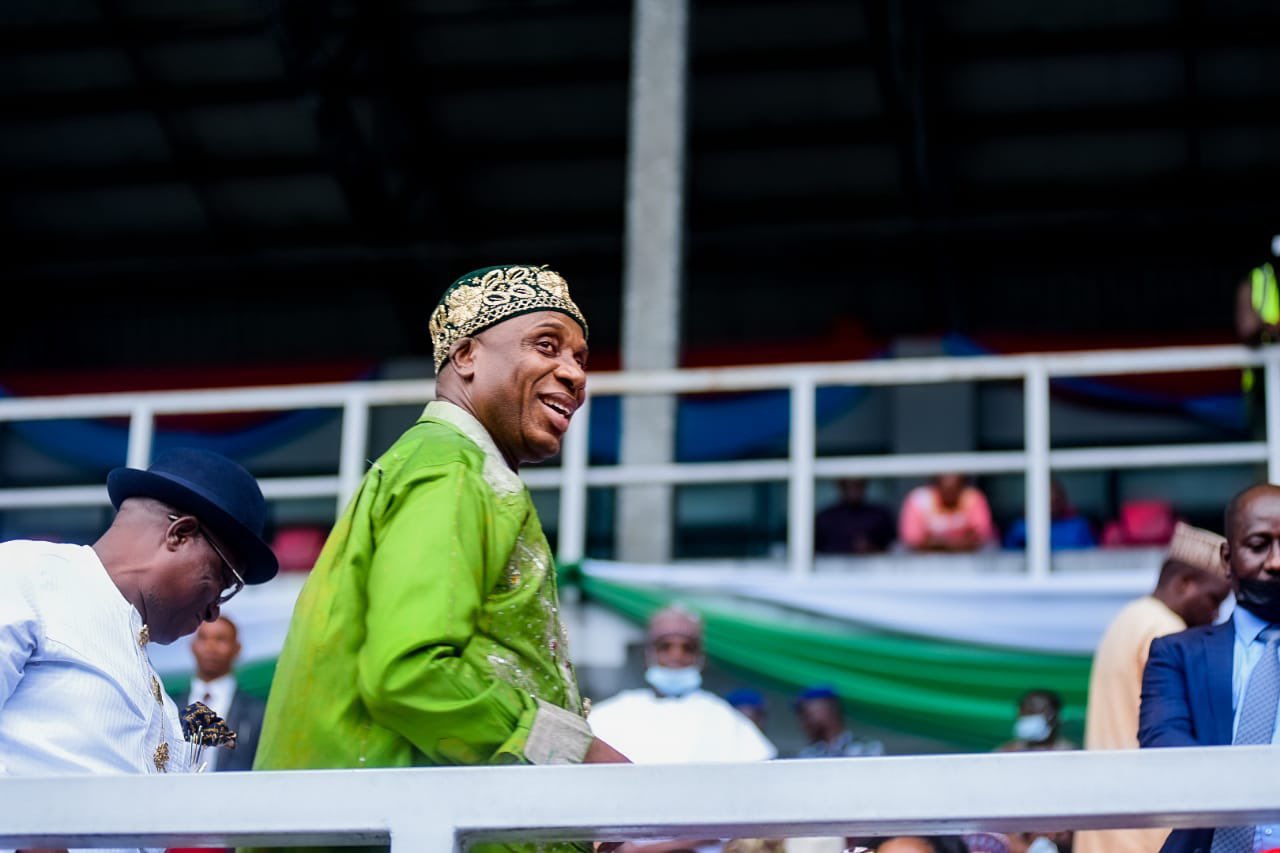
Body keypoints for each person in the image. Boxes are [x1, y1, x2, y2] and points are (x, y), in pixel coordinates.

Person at [248, 265, 628, 853]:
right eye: (546, 345)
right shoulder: (452, 470)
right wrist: (574, 754)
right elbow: (411, 671)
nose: (575, 374)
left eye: (580, 358)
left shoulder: (442, 464)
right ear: (467, 356)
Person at [0, 447, 277, 853]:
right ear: (179, 534)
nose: (215, 609)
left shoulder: (159, 696)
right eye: (224, 580)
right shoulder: (28, 576)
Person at [1140, 483, 1280, 853]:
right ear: (1227, 558)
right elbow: (1165, 749)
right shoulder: (1176, 654)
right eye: (1259, 545)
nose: (1276, 562)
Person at [587, 606, 776, 853]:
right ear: (648, 653)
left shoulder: (725, 720)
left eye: (688, 647)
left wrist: (665, 847)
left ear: (701, 657)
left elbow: (754, 801)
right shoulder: (611, 715)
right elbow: (588, 793)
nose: (676, 655)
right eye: (665, 646)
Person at [1074, 558, 1229, 853]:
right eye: (1214, 599)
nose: (1216, 614)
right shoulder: (1166, 631)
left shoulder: (1128, 616)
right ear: (1185, 584)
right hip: (1146, 822)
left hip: (1105, 813)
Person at [176, 615, 266, 772]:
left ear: (237, 648)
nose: (210, 647)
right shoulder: (169, 706)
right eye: (203, 638)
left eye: (221, 639)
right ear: (192, 646)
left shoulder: (258, 712)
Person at [1235, 236, 1280, 438]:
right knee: (1265, 444)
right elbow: (1247, 328)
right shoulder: (1257, 279)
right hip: (1262, 386)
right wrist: (1268, 328)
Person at [898, 473, 995, 553]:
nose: (950, 492)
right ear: (935, 483)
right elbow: (913, 541)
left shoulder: (973, 498)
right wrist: (959, 542)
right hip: (923, 563)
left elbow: (980, 536)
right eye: (946, 488)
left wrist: (938, 543)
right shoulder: (919, 500)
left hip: (969, 562)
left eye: (955, 488)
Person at [792, 686, 884, 758]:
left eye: (807, 716)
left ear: (827, 710)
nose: (804, 724)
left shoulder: (867, 749)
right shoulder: (808, 755)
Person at [1002, 480, 1096, 551]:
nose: (1051, 506)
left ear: (1063, 501)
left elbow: (1092, 556)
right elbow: (1008, 558)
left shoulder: (1079, 526)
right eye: (1046, 500)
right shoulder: (1020, 528)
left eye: (1055, 501)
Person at [814, 478, 895, 554]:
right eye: (848, 484)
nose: (853, 489)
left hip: (875, 564)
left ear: (864, 484)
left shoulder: (880, 515)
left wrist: (871, 549)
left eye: (857, 484)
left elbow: (893, 549)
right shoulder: (825, 518)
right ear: (840, 485)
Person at [996, 689, 1076, 753]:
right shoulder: (1006, 752)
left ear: (1055, 717)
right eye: (1026, 712)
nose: (1029, 717)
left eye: (1037, 712)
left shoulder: (1071, 753)